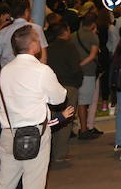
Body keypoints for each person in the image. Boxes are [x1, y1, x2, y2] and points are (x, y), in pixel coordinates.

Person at [0, 25, 71, 189]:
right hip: (36, 133)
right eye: (37, 38)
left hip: (9, 132)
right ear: (33, 45)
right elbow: (59, 98)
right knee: (34, 183)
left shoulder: (4, 71)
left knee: (6, 182)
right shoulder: (41, 70)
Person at [44, 21, 83, 162]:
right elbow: (76, 68)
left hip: (52, 86)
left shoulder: (48, 48)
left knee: (53, 118)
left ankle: (50, 150)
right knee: (66, 120)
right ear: (65, 31)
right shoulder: (69, 47)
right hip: (69, 86)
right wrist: (78, 82)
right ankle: (60, 153)